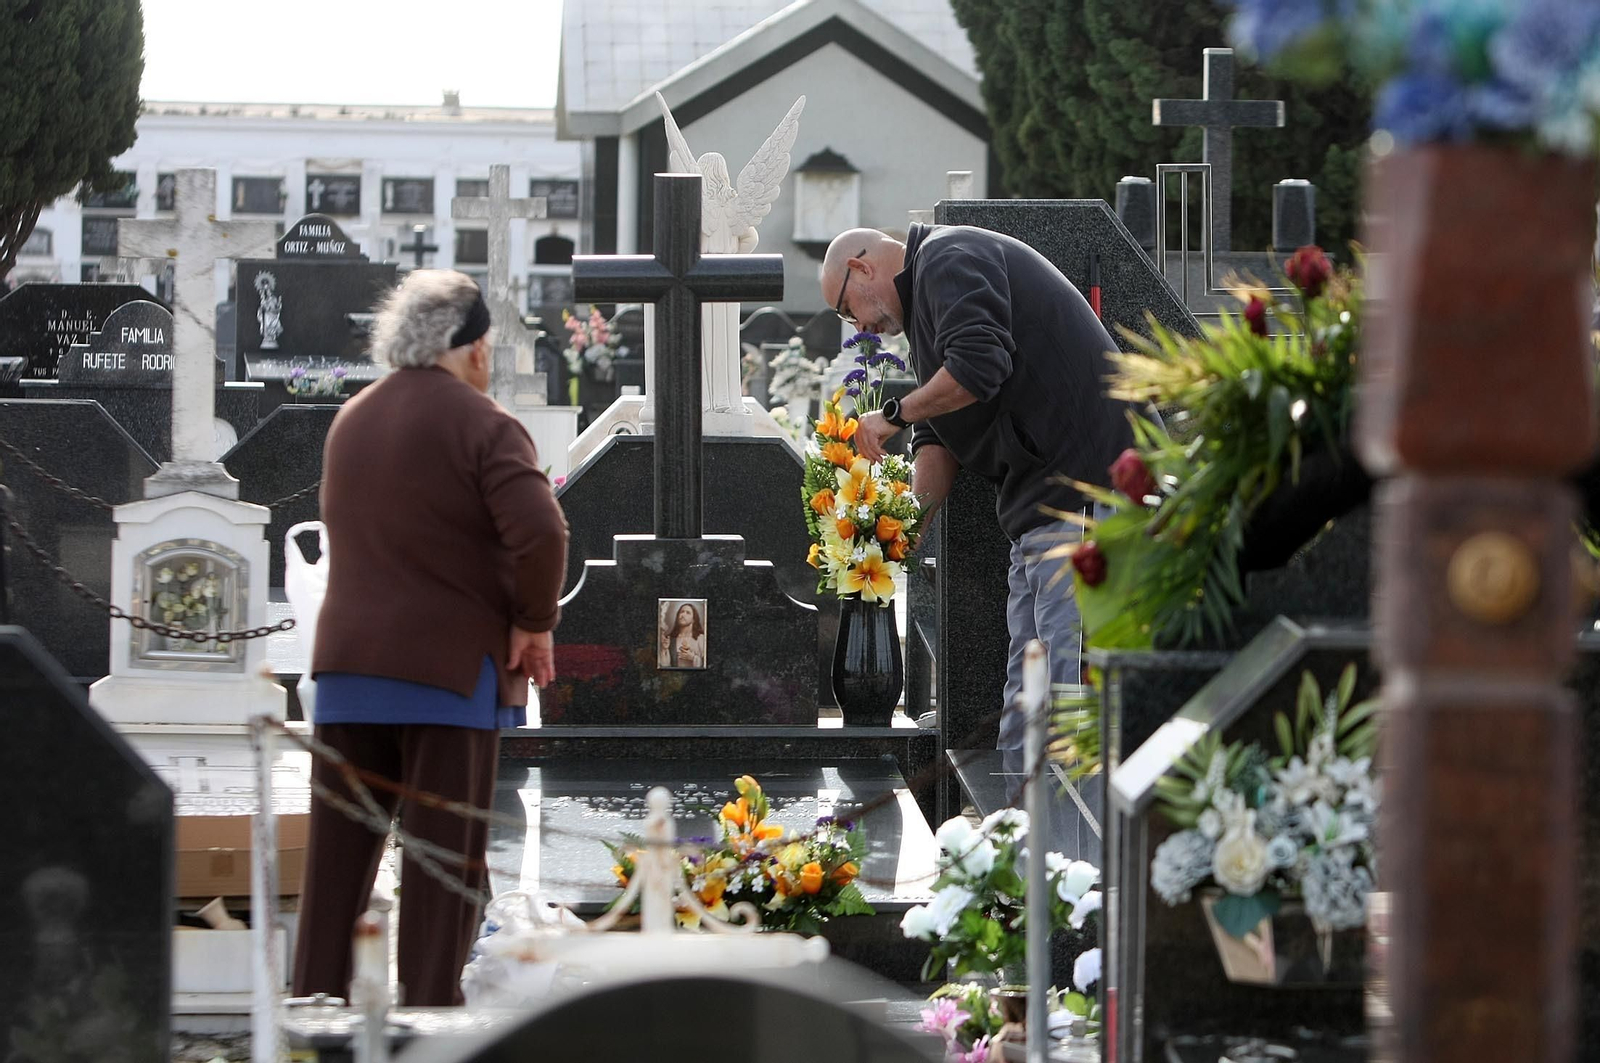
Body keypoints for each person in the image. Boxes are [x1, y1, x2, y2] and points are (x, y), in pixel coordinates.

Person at [292, 270, 568, 1006]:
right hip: (449, 679)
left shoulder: (352, 418)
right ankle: (428, 1025)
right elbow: (541, 530)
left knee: (334, 876)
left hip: (348, 673)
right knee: (440, 872)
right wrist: (533, 622)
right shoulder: (483, 423)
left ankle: (311, 1022)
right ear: (470, 347)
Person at [820, 225, 1134, 750]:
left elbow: (978, 368)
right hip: (1042, 511)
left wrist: (893, 414)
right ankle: (1021, 833)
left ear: (861, 267)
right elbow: (938, 433)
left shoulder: (949, 258)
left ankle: (1073, 835)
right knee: (1024, 709)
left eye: (848, 310)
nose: (860, 327)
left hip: (1088, 493)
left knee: (1065, 708)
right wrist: (908, 524)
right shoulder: (927, 300)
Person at [658, 601, 706, 668]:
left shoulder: (701, 638)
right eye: (681, 612)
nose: (683, 615)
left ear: (693, 619)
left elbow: (707, 665)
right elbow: (665, 667)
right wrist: (664, 649)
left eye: (688, 613)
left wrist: (693, 658)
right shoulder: (671, 639)